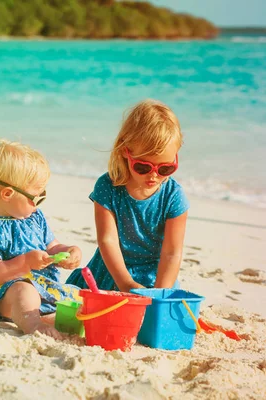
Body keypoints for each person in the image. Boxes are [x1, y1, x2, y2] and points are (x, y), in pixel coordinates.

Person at [67, 99, 189, 292]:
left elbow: (171, 253)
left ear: (176, 157)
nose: (154, 175)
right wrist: (126, 284)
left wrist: (159, 293)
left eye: (166, 168)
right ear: (126, 151)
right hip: (114, 270)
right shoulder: (108, 187)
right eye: (143, 167)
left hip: (155, 275)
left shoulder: (174, 196)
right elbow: (107, 241)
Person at [0, 139, 82, 339]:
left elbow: (51, 246)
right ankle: (34, 323)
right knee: (24, 292)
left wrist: (67, 251)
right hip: (1, 291)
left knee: (78, 296)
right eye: (36, 197)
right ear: (8, 193)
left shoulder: (35, 218)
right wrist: (25, 262)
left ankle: (51, 317)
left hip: (42, 285)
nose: (38, 204)